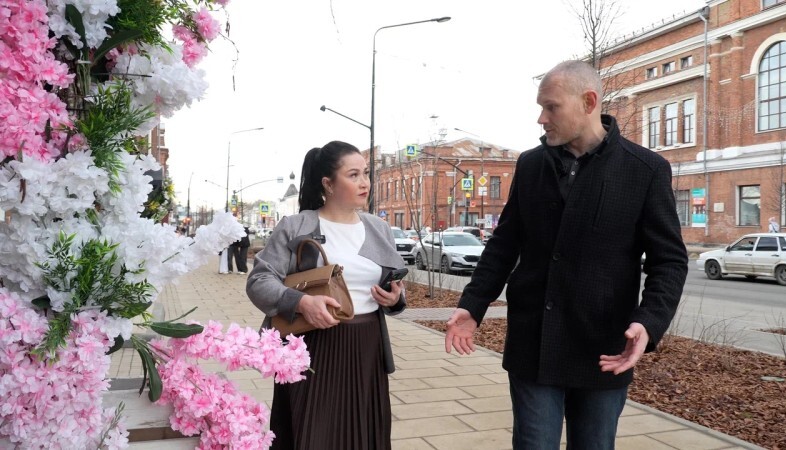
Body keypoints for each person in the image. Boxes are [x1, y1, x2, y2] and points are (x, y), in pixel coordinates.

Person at [444, 60, 688, 449]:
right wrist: (472, 306)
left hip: (604, 347)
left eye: (551, 107)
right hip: (534, 343)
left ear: (588, 101)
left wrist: (650, 321)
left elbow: (669, 261)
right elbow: (505, 245)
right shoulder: (530, 165)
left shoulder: (645, 169)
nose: (541, 118)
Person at [246, 141, 406, 450]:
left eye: (366, 174)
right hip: (311, 348)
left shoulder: (379, 228)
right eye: (354, 174)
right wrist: (302, 302)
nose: (365, 183)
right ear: (328, 184)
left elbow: (396, 286)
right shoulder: (297, 226)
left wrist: (395, 298)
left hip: (366, 348)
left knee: (364, 434)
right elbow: (259, 281)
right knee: (313, 434)